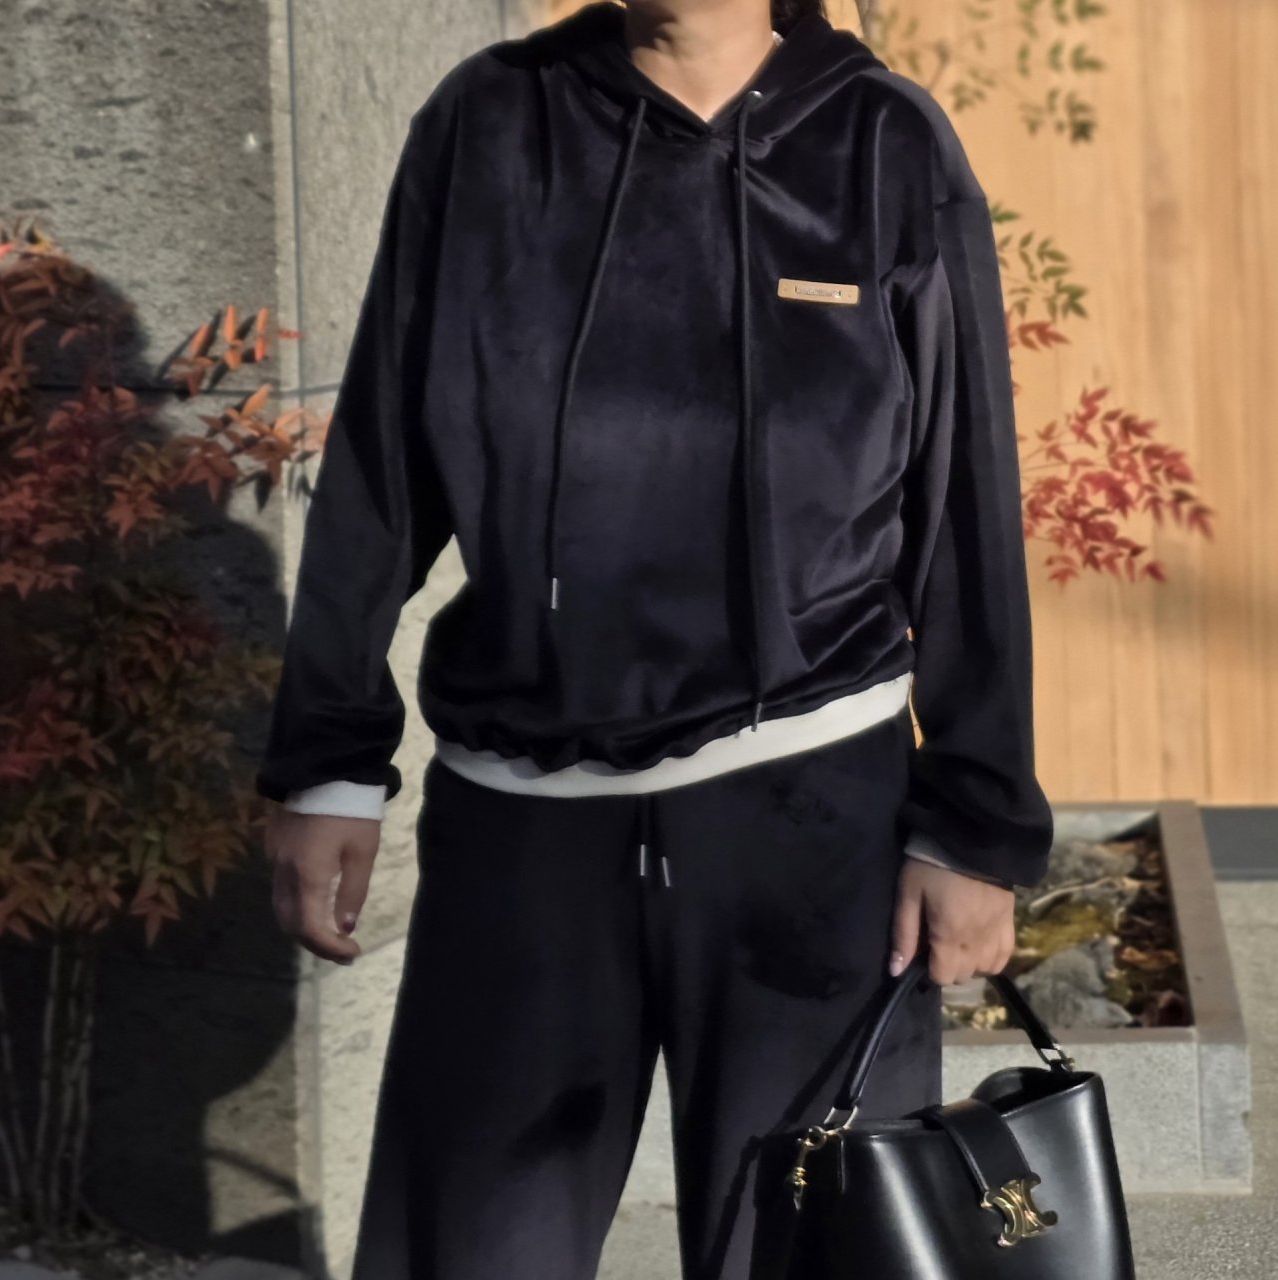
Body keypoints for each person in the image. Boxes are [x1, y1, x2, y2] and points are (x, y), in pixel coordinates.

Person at [256, 1, 1055, 1275]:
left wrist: (973, 820)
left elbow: (962, 497)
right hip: (523, 817)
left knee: (805, 1253)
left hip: (809, 818)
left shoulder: (880, 140)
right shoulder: (490, 120)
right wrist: (327, 764)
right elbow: (379, 465)